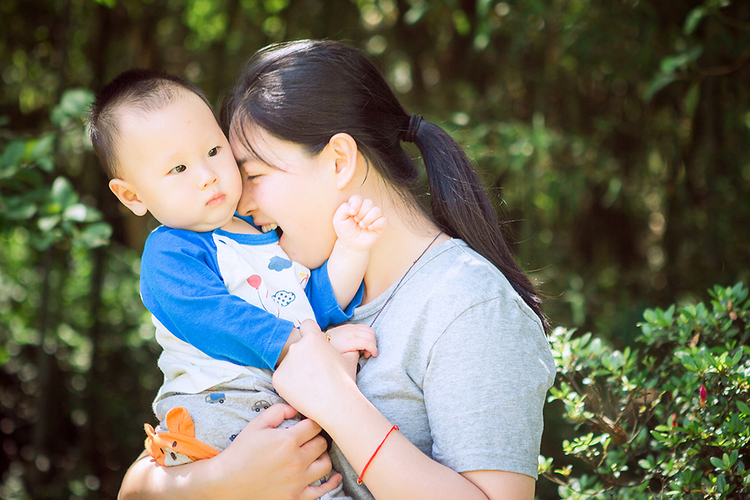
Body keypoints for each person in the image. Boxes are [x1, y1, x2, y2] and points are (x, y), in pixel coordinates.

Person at [118, 39, 556, 500]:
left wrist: (336, 403)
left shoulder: (467, 304)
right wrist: (225, 482)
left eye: (255, 176)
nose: (239, 204)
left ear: (339, 161)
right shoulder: (290, 288)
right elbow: (136, 490)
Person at [88, 69, 385, 498]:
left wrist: (351, 251)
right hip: (218, 407)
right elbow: (207, 314)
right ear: (132, 196)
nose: (207, 174)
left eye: (213, 150)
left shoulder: (262, 231)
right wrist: (302, 343)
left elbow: (303, 302)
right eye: (177, 168)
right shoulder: (172, 249)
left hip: (281, 403)